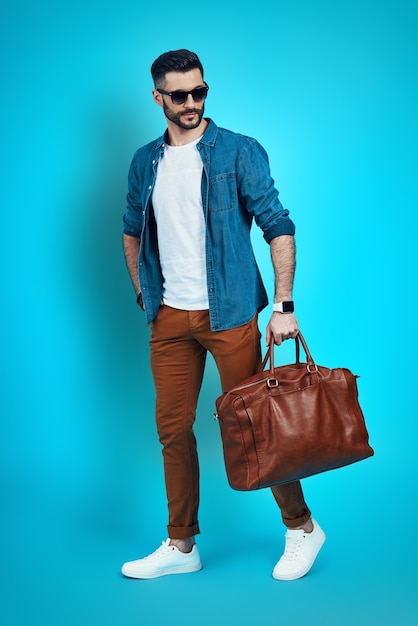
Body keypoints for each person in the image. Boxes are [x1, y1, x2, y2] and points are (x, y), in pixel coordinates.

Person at [121, 49, 325, 581]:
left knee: (258, 426)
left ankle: (302, 528)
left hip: (229, 315)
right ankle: (181, 545)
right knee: (172, 430)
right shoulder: (146, 161)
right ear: (158, 96)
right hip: (168, 318)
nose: (191, 103)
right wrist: (146, 292)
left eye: (199, 92)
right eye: (179, 95)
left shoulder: (237, 151)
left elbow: (278, 225)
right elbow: (131, 228)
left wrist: (283, 306)